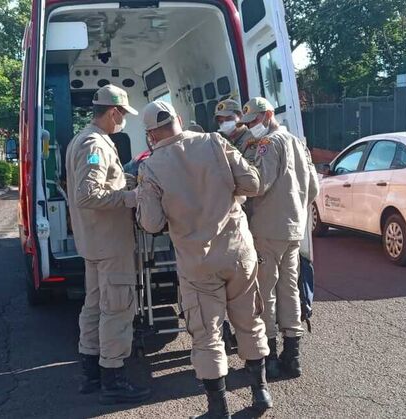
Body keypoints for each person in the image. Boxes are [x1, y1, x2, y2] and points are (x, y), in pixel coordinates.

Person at [136, 100, 272, 418]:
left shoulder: (151, 167)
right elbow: (252, 184)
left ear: (150, 134)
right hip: (239, 252)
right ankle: (260, 392)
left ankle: (218, 407)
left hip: (197, 261)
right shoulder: (215, 142)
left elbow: (152, 223)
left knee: (207, 332)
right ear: (179, 120)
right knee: (250, 321)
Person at [65, 84, 151, 405]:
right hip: (110, 243)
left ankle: (90, 373)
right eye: (123, 115)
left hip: (94, 242)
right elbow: (89, 194)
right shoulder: (96, 145)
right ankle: (112, 378)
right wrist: (132, 196)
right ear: (113, 111)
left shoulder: (84, 139)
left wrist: (125, 182)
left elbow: (100, 184)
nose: (123, 121)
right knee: (117, 308)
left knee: (94, 306)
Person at [241, 97, 319, 379]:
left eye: (254, 121)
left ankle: (270, 356)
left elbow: (258, 184)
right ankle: (293, 356)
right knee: (290, 290)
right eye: (248, 123)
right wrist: (295, 210)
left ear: (269, 115)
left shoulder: (269, 144)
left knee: (266, 292)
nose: (251, 127)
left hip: (267, 229)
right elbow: (313, 187)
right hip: (293, 228)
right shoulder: (299, 143)